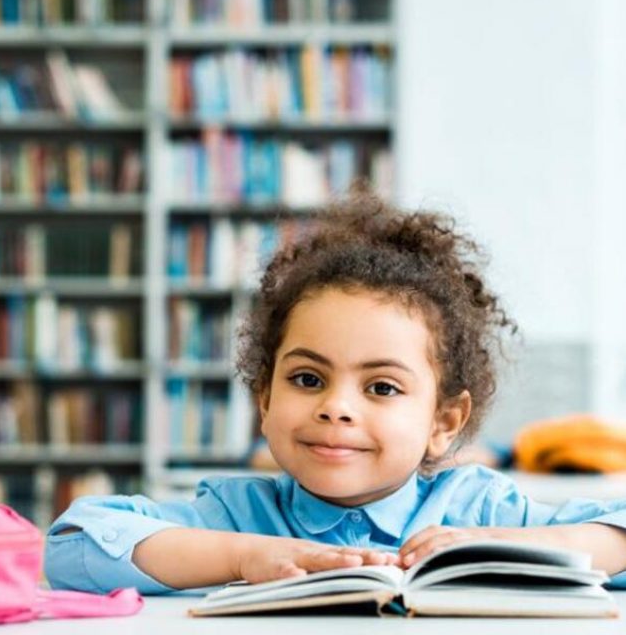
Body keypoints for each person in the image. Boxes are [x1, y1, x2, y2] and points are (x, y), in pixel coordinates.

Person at [44, 191, 626, 594]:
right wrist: (243, 557)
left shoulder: (479, 508)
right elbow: (72, 543)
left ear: (443, 423)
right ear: (264, 398)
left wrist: (504, 544)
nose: (335, 407)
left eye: (381, 387)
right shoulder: (235, 515)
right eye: (306, 379)